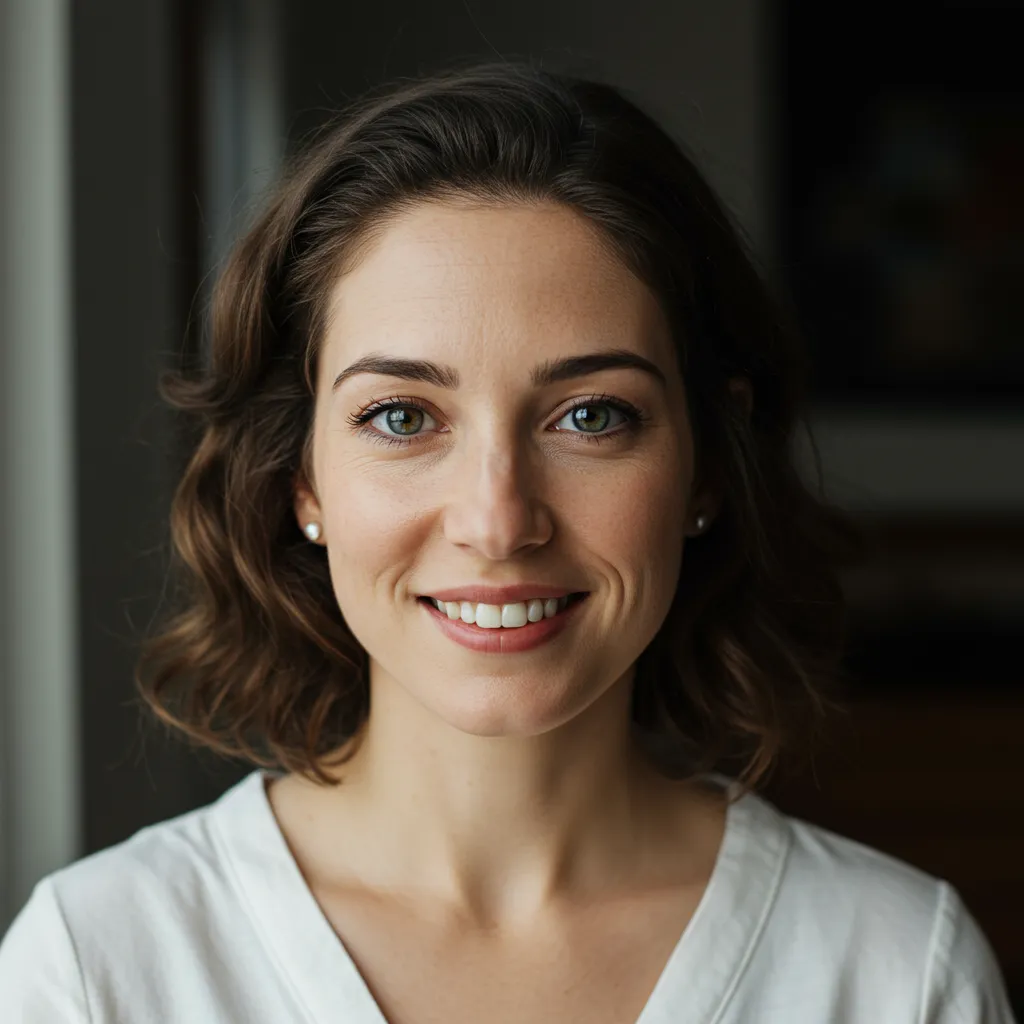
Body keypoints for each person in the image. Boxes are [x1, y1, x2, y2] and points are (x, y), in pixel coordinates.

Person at [0, 59, 1016, 1024]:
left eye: (588, 416)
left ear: (707, 463)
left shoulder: (891, 968)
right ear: (299, 477)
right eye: (402, 417)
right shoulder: (101, 964)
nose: (497, 521)